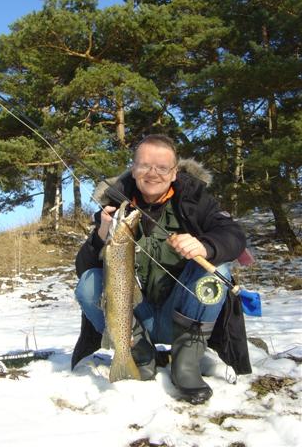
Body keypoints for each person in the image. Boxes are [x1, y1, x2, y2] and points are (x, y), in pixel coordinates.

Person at [72, 134, 251, 405]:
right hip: (135, 320)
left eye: (162, 167)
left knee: (219, 272)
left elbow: (234, 236)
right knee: (88, 283)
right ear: (133, 169)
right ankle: (137, 356)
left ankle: (186, 363)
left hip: (181, 317)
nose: (153, 173)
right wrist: (100, 236)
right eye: (144, 165)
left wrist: (205, 246)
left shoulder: (195, 200)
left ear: (174, 172)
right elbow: (84, 272)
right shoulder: (113, 208)